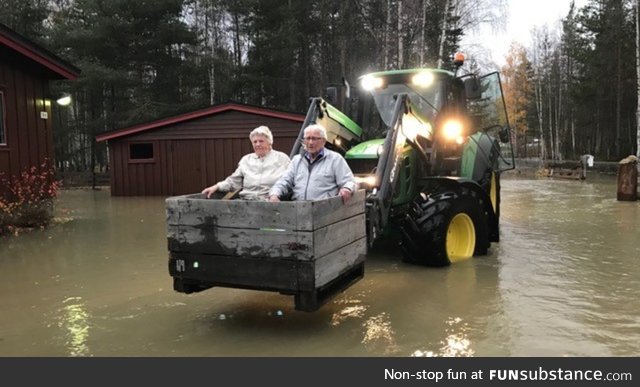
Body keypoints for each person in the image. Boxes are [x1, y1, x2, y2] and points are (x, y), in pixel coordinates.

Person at [268, 124, 356, 203]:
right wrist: (274, 193)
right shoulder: (297, 160)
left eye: (314, 138)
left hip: (325, 211)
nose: (310, 142)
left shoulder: (335, 159)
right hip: (298, 209)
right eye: (307, 138)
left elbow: (349, 181)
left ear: (324, 141)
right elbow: (284, 180)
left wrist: (347, 188)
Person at [202, 126, 290, 200]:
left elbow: (289, 182)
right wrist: (216, 187)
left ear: (270, 142)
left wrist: (276, 195)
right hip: (246, 201)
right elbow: (233, 181)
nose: (257, 144)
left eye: (261, 141)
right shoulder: (246, 159)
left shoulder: (282, 158)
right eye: (255, 142)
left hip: (269, 203)